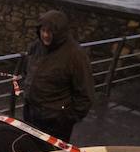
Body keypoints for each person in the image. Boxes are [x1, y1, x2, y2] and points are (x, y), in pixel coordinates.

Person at [21, 10, 95, 142]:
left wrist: (67, 118)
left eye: (50, 32)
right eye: (43, 30)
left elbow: (85, 94)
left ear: (59, 32)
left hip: (56, 122)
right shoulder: (36, 46)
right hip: (31, 114)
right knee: (30, 151)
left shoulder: (75, 55)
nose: (45, 35)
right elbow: (27, 72)